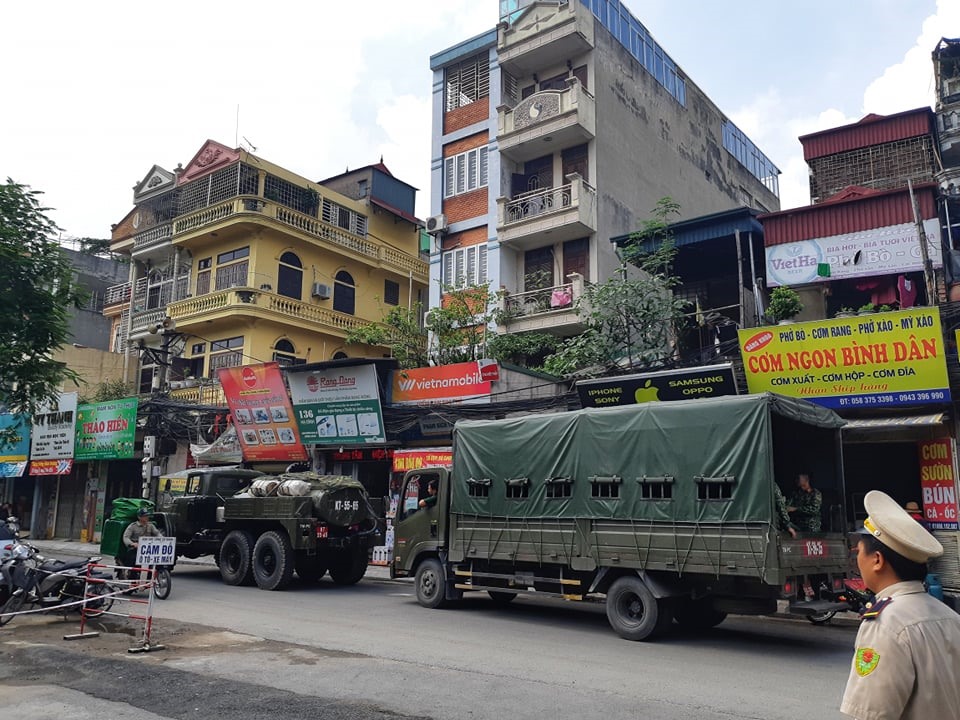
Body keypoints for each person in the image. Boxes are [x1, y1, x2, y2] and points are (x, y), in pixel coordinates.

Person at [840, 490, 960, 720]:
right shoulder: (950, 617)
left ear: (877, 560)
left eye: (859, 551)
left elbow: (873, 714)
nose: (857, 559)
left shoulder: (886, 624)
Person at [118, 508, 162, 587]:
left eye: (147, 516)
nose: (147, 517)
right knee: (134, 562)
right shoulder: (133, 526)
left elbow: (157, 533)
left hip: (148, 550)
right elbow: (126, 537)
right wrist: (132, 544)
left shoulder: (150, 526)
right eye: (145, 516)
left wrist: (163, 539)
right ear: (139, 517)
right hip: (136, 549)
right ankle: (132, 581)